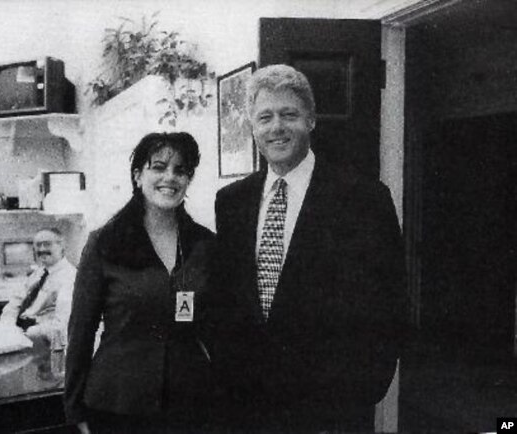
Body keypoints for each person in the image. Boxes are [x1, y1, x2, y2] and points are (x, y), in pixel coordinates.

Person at [211, 64, 407, 432]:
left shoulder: (363, 198)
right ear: (252, 127)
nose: (277, 127)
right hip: (250, 408)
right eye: (264, 117)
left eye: (289, 114)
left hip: (332, 410)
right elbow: (226, 301)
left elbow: (390, 300)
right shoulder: (232, 202)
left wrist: (363, 391)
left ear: (312, 120)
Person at [64, 132, 216, 434]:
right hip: (117, 404)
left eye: (180, 170)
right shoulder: (105, 243)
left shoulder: (205, 244)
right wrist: (74, 408)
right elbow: (80, 331)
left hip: (190, 404)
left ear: (188, 179)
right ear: (137, 176)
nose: (169, 177)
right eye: (158, 167)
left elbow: (217, 327)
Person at [0, 228, 76, 341]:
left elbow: (61, 325)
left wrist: (25, 333)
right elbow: (15, 303)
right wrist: (8, 325)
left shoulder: (70, 277)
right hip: (17, 332)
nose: (41, 249)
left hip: (38, 337)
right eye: (38, 245)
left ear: (62, 247)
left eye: (47, 244)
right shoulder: (39, 273)